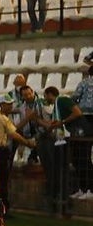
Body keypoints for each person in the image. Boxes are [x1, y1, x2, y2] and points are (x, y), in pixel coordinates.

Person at [40, 85, 84, 214]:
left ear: (49, 94)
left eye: (45, 96)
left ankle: (66, 197)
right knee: (60, 169)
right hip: (60, 140)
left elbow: (77, 112)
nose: (45, 98)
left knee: (64, 169)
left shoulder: (62, 100)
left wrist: (63, 122)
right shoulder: (56, 107)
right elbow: (56, 124)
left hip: (67, 138)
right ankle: (62, 199)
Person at [71, 65, 93, 199]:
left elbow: (74, 98)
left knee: (81, 154)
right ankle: (87, 189)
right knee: (85, 155)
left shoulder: (84, 82)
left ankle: (86, 188)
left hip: (84, 118)